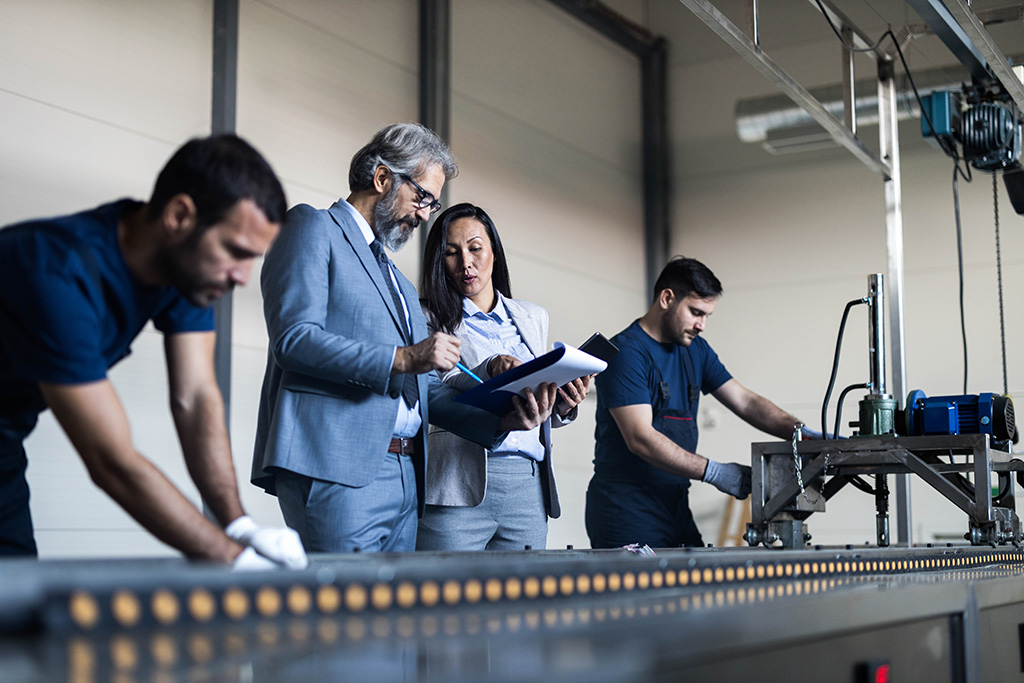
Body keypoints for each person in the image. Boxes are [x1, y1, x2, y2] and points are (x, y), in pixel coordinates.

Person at [0, 134, 307, 569]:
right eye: (236, 252)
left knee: (12, 600)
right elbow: (111, 461)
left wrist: (239, 526)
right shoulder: (56, 273)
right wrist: (232, 559)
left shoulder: (183, 272)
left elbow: (196, 395)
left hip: (4, 442)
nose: (241, 277)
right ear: (179, 215)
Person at [251, 124, 555, 554]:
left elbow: (425, 387)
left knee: (396, 620)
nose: (426, 214)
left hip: (407, 475)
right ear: (382, 179)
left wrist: (500, 421)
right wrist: (403, 358)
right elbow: (294, 340)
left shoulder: (398, 280)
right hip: (337, 467)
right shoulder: (311, 227)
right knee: (347, 614)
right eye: (423, 197)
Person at [585, 256, 815, 549]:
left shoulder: (695, 350)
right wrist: (717, 473)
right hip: (626, 509)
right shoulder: (626, 353)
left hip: (675, 504)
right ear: (667, 298)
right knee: (643, 595)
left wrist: (802, 433)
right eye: (696, 312)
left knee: (692, 591)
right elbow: (640, 438)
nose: (702, 325)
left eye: (707, 315)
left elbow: (745, 401)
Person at [416, 203, 591, 551]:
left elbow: (535, 402)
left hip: (527, 486)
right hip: (458, 484)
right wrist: (490, 367)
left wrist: (563, 406)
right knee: (448, 602)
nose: (466, 262)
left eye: (475, 248)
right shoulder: (426, 316)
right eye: (451, 253)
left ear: (494, 251)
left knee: (524, 603)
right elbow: (441, 384)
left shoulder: (532, 316)